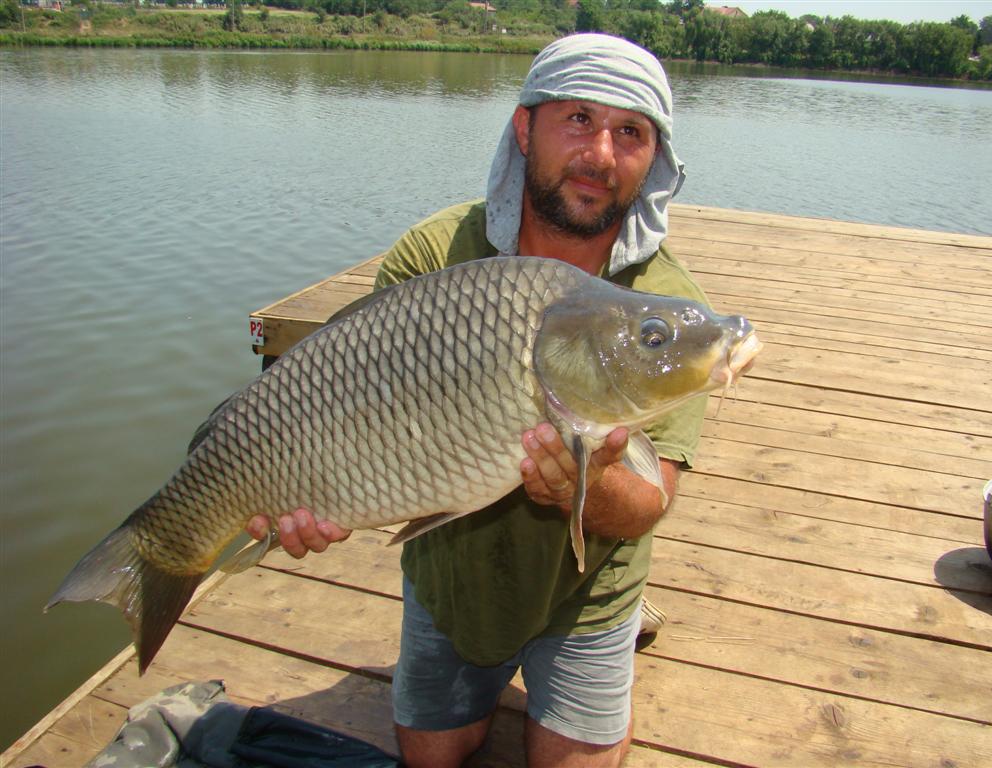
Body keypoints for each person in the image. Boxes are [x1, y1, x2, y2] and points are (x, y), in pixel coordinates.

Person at [246, 33, 711, 768]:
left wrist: (583, 488)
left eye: (631, 132)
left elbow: (647, 505)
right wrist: (311, 495)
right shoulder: (432, 256)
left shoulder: (665, 317)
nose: (601, 153)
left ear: (654, 158)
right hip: (454, 579)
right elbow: (347, 405)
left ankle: (612, 648)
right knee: (432, 758)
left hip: (590, 587)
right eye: (579, 119)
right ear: (525, 128)